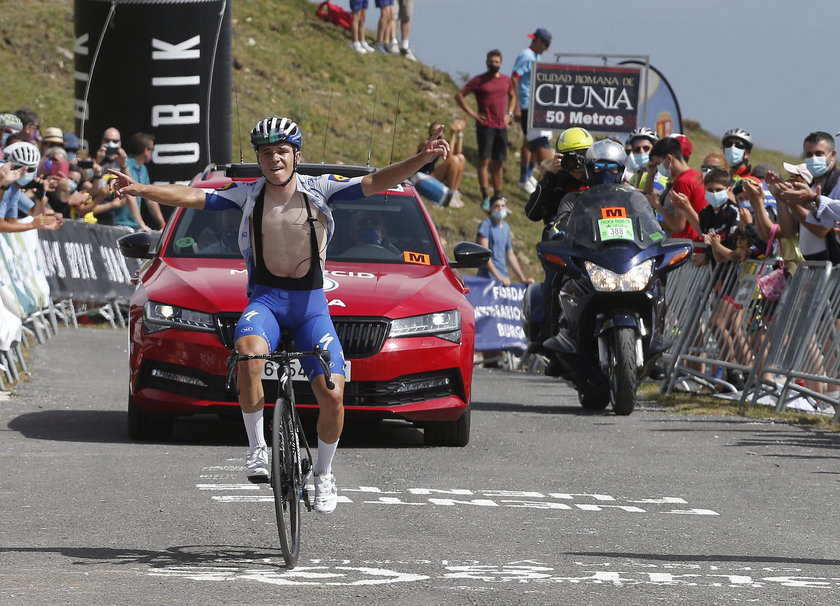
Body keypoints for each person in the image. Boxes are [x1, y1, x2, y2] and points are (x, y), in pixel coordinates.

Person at [109, 115, 450, 514]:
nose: (274, 159)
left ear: (296, 156)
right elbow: (191, 197)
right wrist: (138, 187)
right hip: (267, 302)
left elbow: (377, 182)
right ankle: (257, 450)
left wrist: (420, 160)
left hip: (310, 308)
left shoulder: (320, 189)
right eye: (266, 153)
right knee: (249, 353)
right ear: (259, 158)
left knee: (333, 394)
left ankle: (323, 475)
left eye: (282, 152)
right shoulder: (246, 195)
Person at [455, 49, 515, 211]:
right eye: (491, 61)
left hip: (501, 127)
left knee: (499, 162)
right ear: (486, 61)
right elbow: (460, 95)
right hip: (485, 126)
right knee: (483, 161)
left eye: (497, 62)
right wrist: (473, 113)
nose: (494, 64)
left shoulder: (506, 80)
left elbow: (512, 95)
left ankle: (498, 196)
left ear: (501, 63)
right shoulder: (478, 80)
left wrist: (509, 114)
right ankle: (485, 196)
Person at [525, 126, 593, 239]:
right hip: (561, 244)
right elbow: (533, 213)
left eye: (583, 155)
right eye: (571, 157)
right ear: (561, 157)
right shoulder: (556, 182)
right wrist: (550, 175)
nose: (578, 161)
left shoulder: (599, 178)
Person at [646, 135, 707, 252]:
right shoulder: (696, 176)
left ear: (669, 158)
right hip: (696, 244)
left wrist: (657, 206)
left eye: (659, 163)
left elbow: (677, 226)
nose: (658, 168)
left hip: (688, 247)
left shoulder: (682, 182)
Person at [511, 28, 552, 195]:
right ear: (539, 42)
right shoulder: (526, 55)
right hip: (525, 103)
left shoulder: (536, 56)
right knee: (532, 141)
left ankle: (527, 175)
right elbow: (515, 77)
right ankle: (524, 178)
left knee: (529, 141)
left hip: (533, 104)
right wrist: (516, 106)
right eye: (547, 44)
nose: (548, 48)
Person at [0, 142, 61, 233]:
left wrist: (39, 197)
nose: (25, 172)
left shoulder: (15, 188)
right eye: (19, 167)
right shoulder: (6, 187)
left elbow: (34, 214)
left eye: (30, 169)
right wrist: (32, 225)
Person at [476, 195, 532, 286]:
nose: (500, 208)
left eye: (503, 206)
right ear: (490, 209)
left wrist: (523, 279)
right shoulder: (486, 225)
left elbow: (510, 254)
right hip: (487, 279)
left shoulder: (506, 227)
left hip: (503, 279)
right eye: (497, 206)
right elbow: (483, 255)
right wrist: (498, 277)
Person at [417, 119, 466, 194]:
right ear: (430, 132)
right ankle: (450, 194)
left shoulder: (441, 144)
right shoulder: (425, 143)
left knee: (461, 157)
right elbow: (450, 155)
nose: (437, 133)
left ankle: (454, 192)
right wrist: (452, 134)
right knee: (454, 160)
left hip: (431, 173)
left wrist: (460, 132)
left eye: (439, 131)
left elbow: (458, 152)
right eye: (434, 130)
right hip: (422, 176)